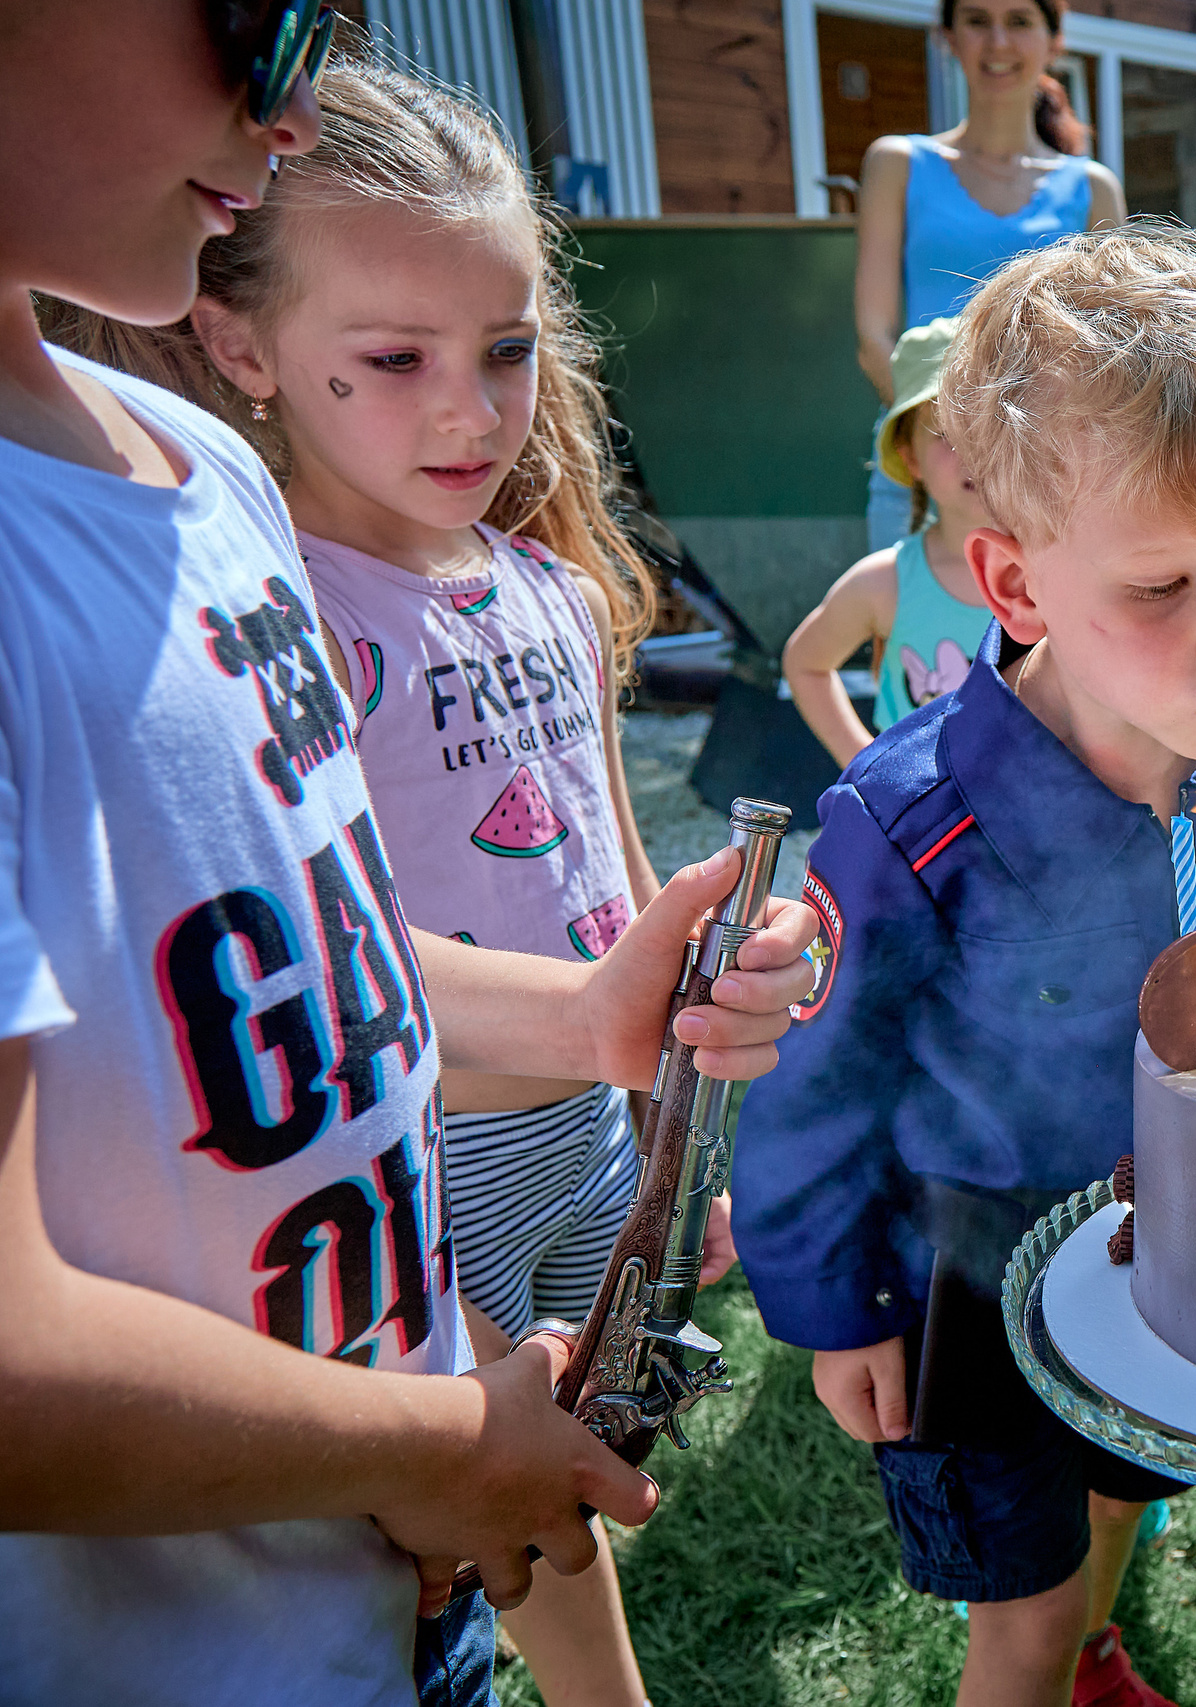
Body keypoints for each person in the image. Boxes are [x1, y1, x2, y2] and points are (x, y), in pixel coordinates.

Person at [0, 3, 817, 1702]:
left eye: (505, 347)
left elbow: (327, 944)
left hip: (369, 1588)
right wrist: (448, 1435)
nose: (291, 100)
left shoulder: (201, 477)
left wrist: (610, 1014)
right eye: (251, 14)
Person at [734, 229, 1196, 1707]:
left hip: (1159, 1251)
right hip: (966, 1283)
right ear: (1011, 583)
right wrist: (834, 1309)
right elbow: (815, 1086)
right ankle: (1052, 1656)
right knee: (1024, 1608)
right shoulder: (909, 822)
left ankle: (1097, 1652)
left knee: (1126, 1493)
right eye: (1162, 585)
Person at [852, 0, 1127, 551]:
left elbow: (1112, 348)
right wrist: (948, 452)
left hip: (1047, 478)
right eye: (977, 20)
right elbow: (873, 337)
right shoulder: (896, 163)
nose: (998, 41)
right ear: (947, 37)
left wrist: (1015, 455)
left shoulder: (1094, 188)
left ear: (1054, 41)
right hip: (922, 475)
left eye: (1020, 21)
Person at [786, 317, 995, 766]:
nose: (973, 448)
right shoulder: (886, 583)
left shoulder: (1063, 569)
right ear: (909, 457)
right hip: (921, 833)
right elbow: (805, 665)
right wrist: (871, 770)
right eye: (945, 432)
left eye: (991, 423)